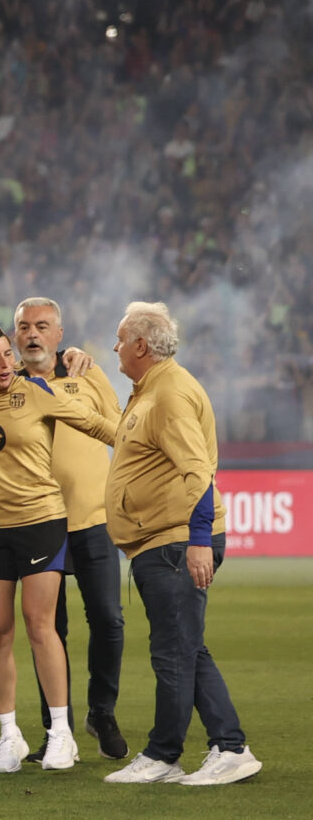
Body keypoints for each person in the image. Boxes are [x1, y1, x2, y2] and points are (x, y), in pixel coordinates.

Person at [104, 303, 258, 786]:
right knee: (187, 649)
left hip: (173, 541)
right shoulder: (155, 389)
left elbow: (198, 470)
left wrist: (196, 540)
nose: (115, 347)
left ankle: (165, 754)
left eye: (120, 339)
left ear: (141, 346)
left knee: (173, 652)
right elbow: (132, 444)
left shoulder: (167, 394)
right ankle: (229, 746)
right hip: (162, 539)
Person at [0, 324, 117, 774]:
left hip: (40, 521)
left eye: (8, 355)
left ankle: (61, 734)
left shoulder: (37, 392)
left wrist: (137, 441)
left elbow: (93, 422)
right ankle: (10, 734)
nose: (6, 364)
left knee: (40, 625)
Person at [14, 295, 128, 759]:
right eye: (24, 326)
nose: (32, 334)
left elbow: (122, 428)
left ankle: (101, 711)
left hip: (93, 519)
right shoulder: (5, 380)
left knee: (108, 619)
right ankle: (54, 727)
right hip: (39, 521)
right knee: (48, 627)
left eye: (42, 326)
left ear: (60, 335)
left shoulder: (87, 372)